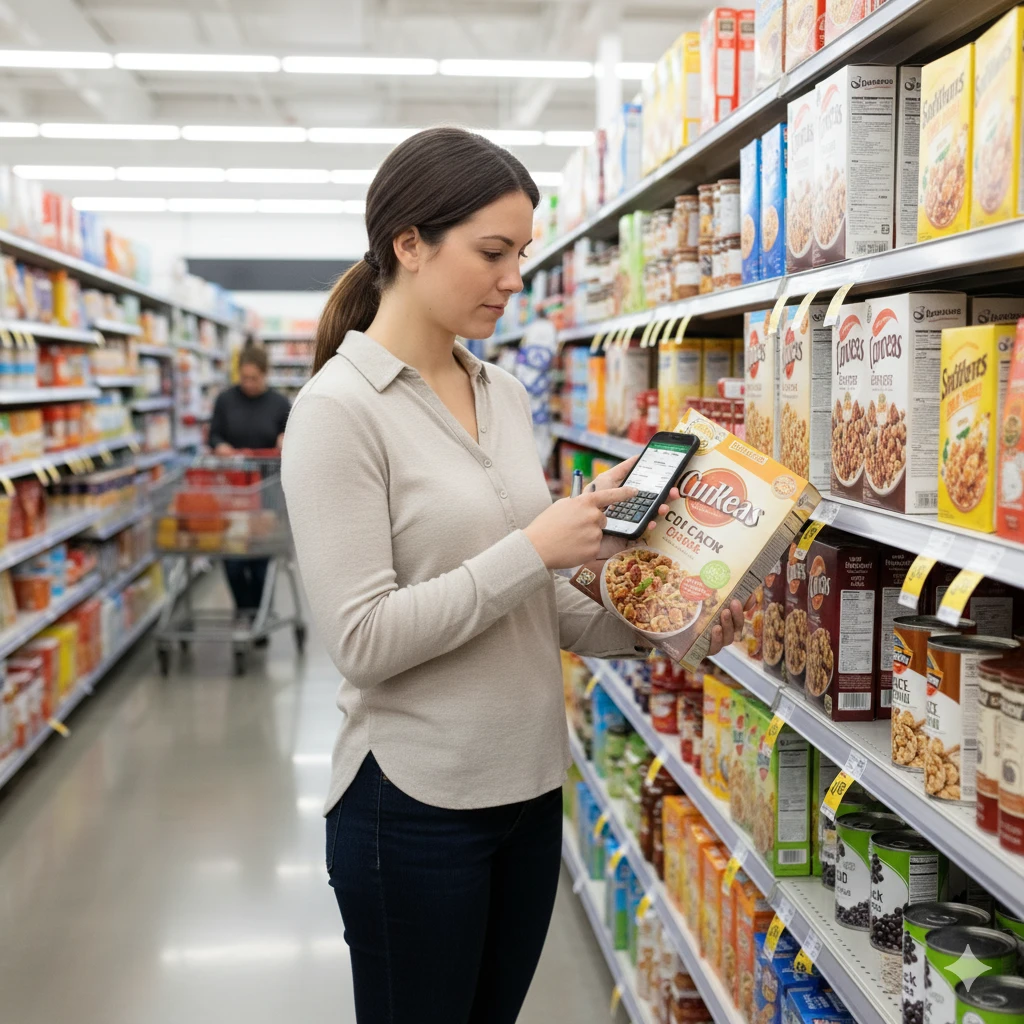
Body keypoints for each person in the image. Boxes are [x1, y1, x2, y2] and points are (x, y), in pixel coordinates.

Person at [281, 126, 742, 1024]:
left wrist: (670, 613)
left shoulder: (504, 394)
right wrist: (534, 546)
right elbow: (363, 640)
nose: (513, 278)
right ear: (408, 244)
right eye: (493, 252)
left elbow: (540, 614)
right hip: (412, 804)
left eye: (522, 253)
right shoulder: (337, 412)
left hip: (529, 788)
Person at [209, 345, 291, 620]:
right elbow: (214, 435)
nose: (248, 383)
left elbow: (291, 434)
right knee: (232, 559)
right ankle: (246, 611)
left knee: (260, 558)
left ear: (265, 375)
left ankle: (259, 613)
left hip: (266, 489)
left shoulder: (279, 404)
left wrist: (284, 439)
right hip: (233, 489)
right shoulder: (225, 400)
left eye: (254, 378)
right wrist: (220, 446)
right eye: (244, 377)